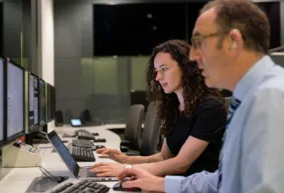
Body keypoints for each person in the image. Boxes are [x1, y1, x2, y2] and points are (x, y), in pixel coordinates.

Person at [116, 0, 284, 193]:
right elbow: (224, 179)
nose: (193, 57)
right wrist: (160, 184)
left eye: (199, 43)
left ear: (233, 42)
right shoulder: (247, 98)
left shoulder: (269, 98)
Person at [90, 40, 227, 177]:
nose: (158, 77)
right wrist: (125, 159)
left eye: (164, 69)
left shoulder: (210, 108)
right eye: (156, 71)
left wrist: (127, 168)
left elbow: (181, 164)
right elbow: (164, 157)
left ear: (186, 67)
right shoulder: (174, 108)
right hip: (175, 183)